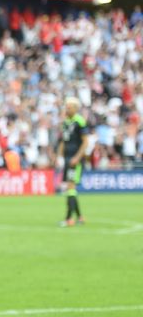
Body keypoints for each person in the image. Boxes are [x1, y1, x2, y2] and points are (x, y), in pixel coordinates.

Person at [56, 97, 88, 227]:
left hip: (75, 159)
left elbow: (86, 141)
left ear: (75, 108)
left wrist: (77, 157)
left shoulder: (80, 121)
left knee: (70, 187)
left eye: (69, 107)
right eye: (66, 106)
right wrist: (59, 156)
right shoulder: (65, 123)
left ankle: (69, 218)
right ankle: (80, 217)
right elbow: (64, 141)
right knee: (71, 188)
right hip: (67, 158)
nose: (66, 109)